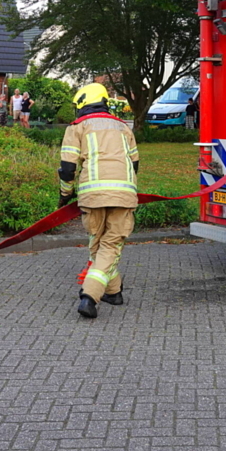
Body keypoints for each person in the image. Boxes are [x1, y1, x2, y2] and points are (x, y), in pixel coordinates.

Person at [59, 83, 140, 319]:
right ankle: (113, 292)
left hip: (92, 196)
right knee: (108, 247)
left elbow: (67, 168)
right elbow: (135, 164)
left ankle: (90, 296)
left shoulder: (76, 127)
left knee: (99, 245)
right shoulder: (123, 127)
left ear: (82, 103)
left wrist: (65, 195)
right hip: (123, 194)